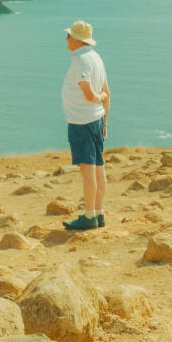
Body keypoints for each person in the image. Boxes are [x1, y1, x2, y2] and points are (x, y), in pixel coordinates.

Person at [61, 20, 110, 231]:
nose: (66, 39)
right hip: (96, 120)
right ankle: (98, 213)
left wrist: (98, 98)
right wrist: (105, 122)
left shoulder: (80, 62)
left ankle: (89, 216)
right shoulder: (95, 58)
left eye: (69, 36)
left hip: (82, 122)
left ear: (77, 40)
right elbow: (108, 91)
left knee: (88, 172)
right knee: (99, 169)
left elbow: (92, 95)